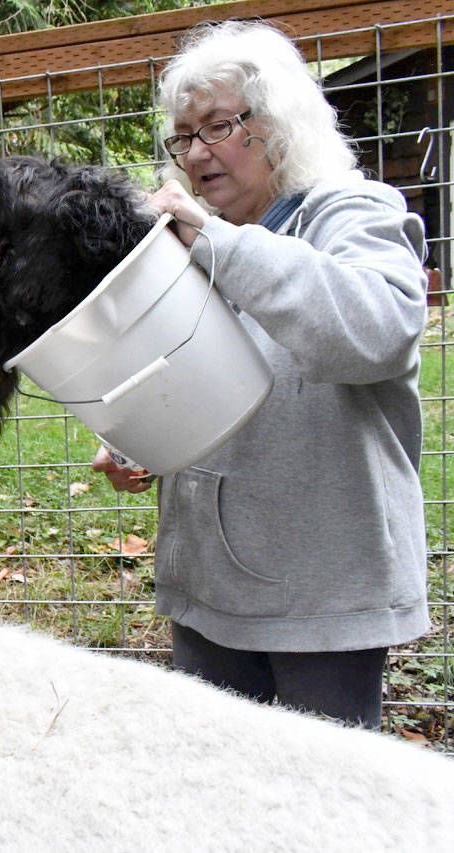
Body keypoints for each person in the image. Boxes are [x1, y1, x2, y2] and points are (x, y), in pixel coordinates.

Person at [93, 20, 431, 729]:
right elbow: (187, 373)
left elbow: (377, 331)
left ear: (278, 121)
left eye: (216, 126)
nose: (194, 153)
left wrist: (216, 244)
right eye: (183, 137)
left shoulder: (352, 210)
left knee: (327, 818)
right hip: (209, 593)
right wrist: (138, 437)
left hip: (323, 598)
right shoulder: (198, 240)